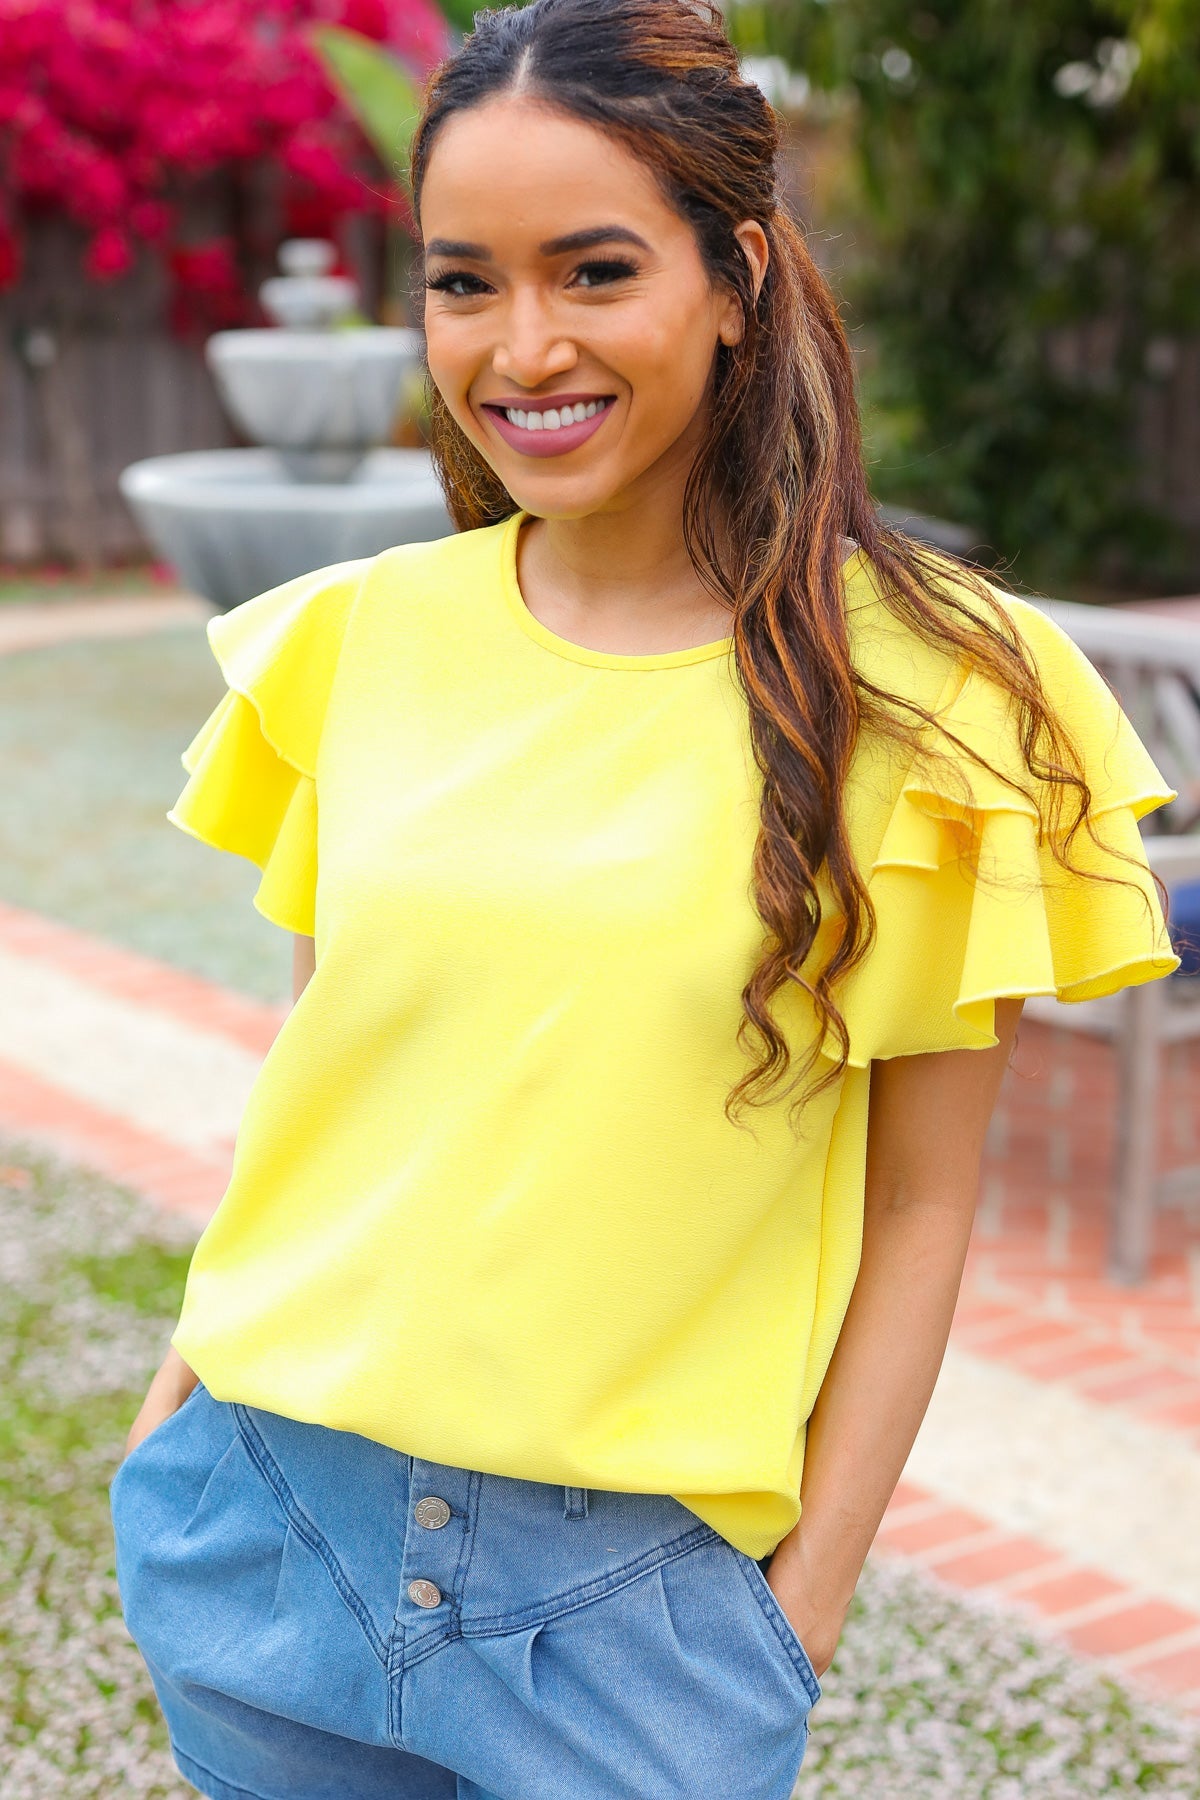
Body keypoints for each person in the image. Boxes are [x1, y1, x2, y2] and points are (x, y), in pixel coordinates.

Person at [108, 3, 1180, 1797]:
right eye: (466, 283)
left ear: (737, 274)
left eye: (593, 270)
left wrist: (798, 1611)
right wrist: (178, 1418)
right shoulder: (349, 643)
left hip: (631, 1630)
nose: (522, 346)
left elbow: (923, 1203)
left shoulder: (931, 695)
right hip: (267, 1521)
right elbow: (333, 1070)